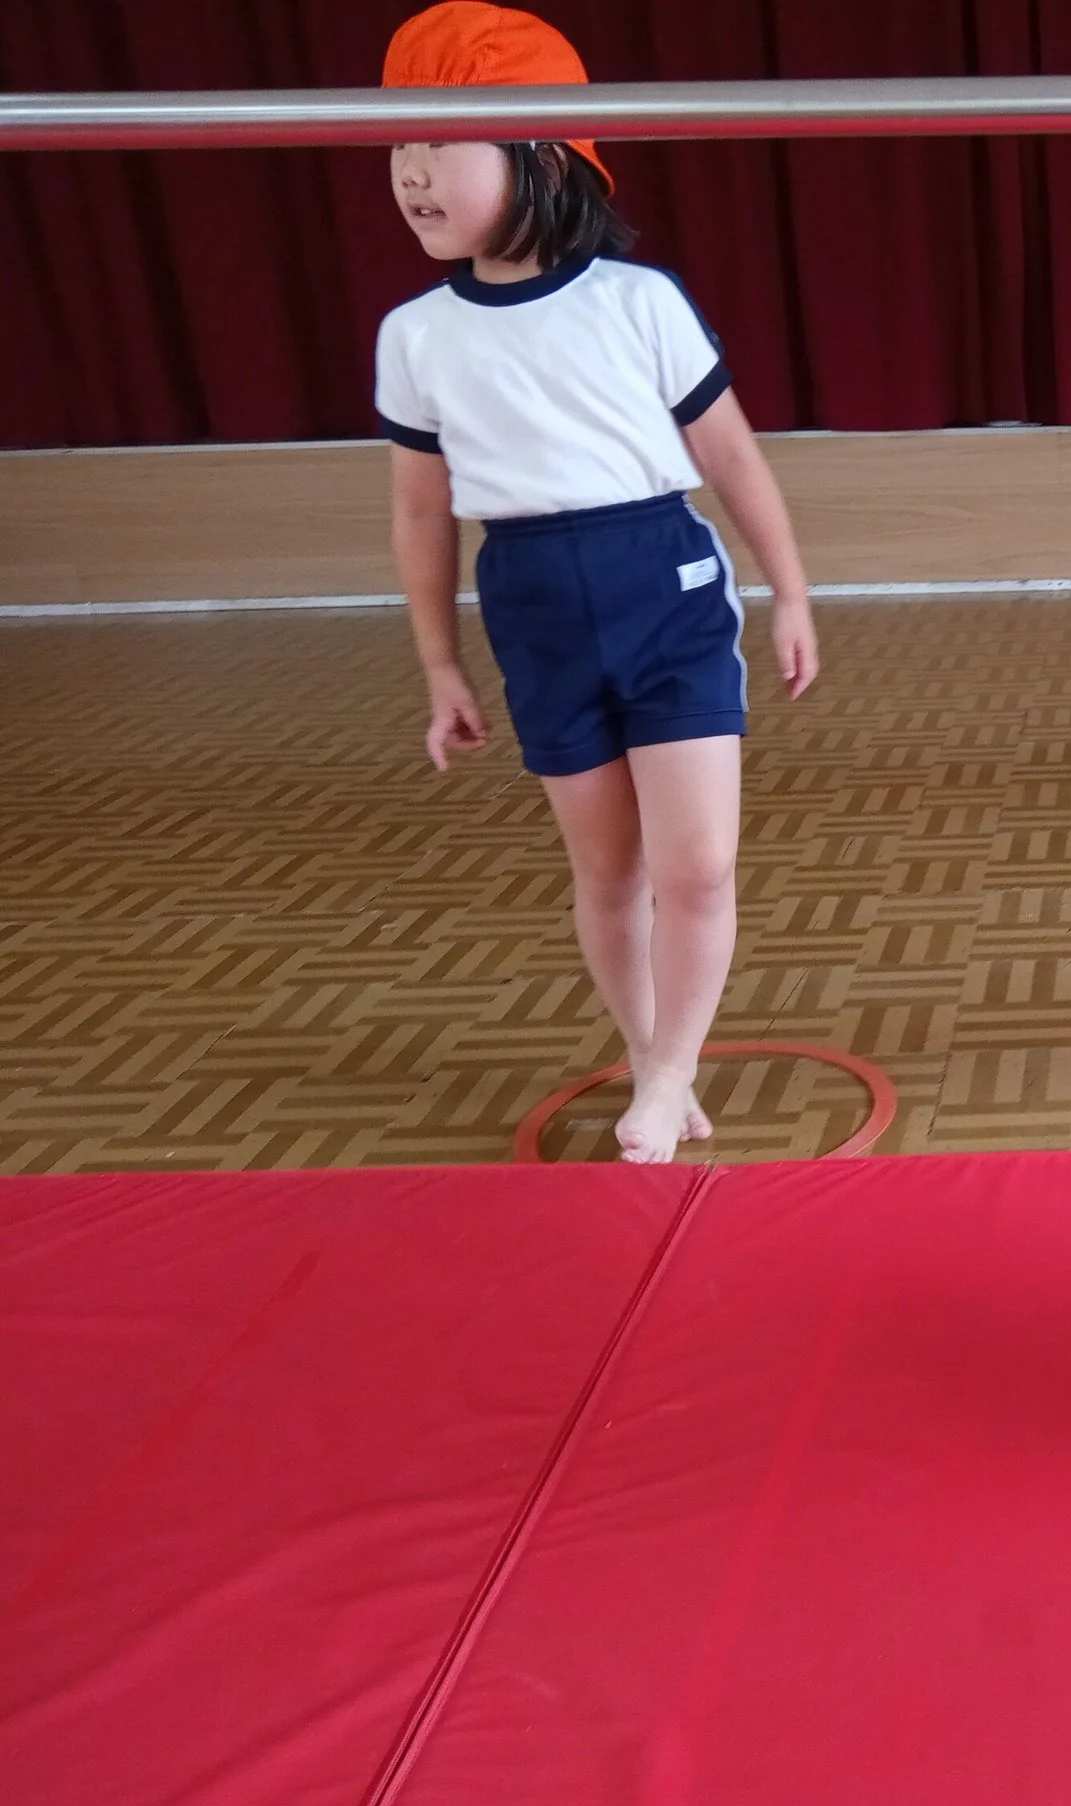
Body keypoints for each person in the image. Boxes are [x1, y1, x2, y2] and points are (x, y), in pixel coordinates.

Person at [375, 2, 820, 1164]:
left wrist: (790, 590)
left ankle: (671, 1074)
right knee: (609, 874)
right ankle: (648, 1054)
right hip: (530, 601)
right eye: (399, 143)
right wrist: (438, 664)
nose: (411, 171)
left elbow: (731, 456)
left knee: (697, 865)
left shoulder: (638, 301)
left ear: (541, 152)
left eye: (440, 141)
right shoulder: (415, 335)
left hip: (660, 583)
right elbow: (420, 509)